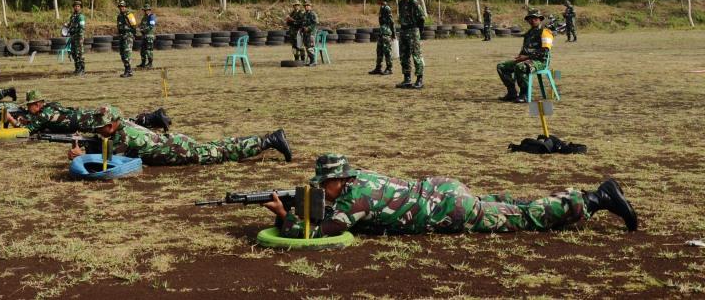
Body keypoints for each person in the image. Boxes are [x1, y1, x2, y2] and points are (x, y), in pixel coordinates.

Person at [263, 153, 637, 237]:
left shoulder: (353, 200)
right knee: (512, 204)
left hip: (448, 209)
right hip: (443, 189)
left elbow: (318, 233)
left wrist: (286, 217)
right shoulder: (361, 180)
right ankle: (580, 196)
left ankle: (593, 200)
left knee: (520, 218)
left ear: (338, 180)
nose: (319, 187)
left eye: (323, 183)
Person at [66, 105, 292, 166]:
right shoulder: (123, 126)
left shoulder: (125, 138)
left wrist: (81, 156)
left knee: (223, 151)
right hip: (173, 143)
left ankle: (269, 140)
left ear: (114, 124)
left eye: (102, 127)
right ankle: (268, 140)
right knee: (220, 146)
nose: (98, 131)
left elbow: (110, 163)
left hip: (179, 151)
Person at [15, 90, 171, 132]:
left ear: (38, 104)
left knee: (117, 125)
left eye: (30, 105)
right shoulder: (50, 107)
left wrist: (12, 121)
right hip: (82, 116)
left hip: (82, 121)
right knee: (115, 121)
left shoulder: (44, 113)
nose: (29, 108)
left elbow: (30, 130)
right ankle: (154, 117)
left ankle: (153, 118)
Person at [497, 9, 553, 102]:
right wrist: (520, 57)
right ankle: (512, 93)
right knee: (501, 67)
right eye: (530, 18)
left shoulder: (545, 32)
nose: (532, 20)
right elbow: (525, 49)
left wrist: (526, 57)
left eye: (535, 18)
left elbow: (545, 51)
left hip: (540, 61)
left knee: (521, 67)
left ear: (540, 19)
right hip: (526, 60)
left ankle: (525, 94)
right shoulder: (529, 33)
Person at [395, 0, 427, 90]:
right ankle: (407, 79)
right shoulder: (401, 3)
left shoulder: (414, 3)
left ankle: (419, 79)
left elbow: (422, 18)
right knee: (404, 56)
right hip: (403, 31)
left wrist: (419, 32)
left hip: (413, 30)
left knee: (416, 55)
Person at [368, 0, 395, 75]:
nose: (377, 0)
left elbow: (391, 22)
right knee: (379, 51)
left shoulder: (387, 8)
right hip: (381, 32)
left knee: (387, 51)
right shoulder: (382, 8)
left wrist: (393, 34)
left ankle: (389, 68)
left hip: (386, 33)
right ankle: (378, 68)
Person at [116, 0, 138, 78]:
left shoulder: (129, 15)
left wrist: (132, 35)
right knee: (122, 54)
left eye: (123, 6)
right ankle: (127, 70)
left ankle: (129, 71)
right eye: (120, 7)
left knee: (127, 54)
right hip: (122, 37)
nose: (121, 8)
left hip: (128, 37)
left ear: (125, 7)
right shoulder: (119, 16)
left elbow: (134, 25)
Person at [66, 0, 86, 76]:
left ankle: (82, 69)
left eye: (78, 6)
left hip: (78, 37)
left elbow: (82, 28)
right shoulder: (73, 16)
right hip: (73, 37)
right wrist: (67, 25)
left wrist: (79, 38)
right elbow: (70, 25)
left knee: (79, 53)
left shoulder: (81, 16)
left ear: (80, 7)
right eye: (75, 6)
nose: (76, 7)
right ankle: (77, 69)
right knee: (74, 53)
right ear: (73, 7)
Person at [138, 4, 157, 69]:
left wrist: (143, 29)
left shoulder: (152, 16)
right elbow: (141, 25)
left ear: (149, 10)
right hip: (144, 36)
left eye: (147, 10)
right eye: (144, 10)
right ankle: (143, 63)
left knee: (149, 50)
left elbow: (151, 26)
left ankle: (150, 63)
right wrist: (140, 29)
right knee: (142, 50)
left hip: (149, 36)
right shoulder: (144, 17)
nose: (145, 11)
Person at [301, 0, 319, 66]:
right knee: (306, 47)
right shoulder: (304, 14)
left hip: (311, 33)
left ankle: (313, 61)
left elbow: (316, 23)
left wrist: (308, 28)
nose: (306, 7)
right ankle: (311, 61)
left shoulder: (313, 14)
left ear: (310, 6)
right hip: (305, 33)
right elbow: (303, 23)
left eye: (307, 5)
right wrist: (302, 28)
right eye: (305, 6)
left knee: (310, 47)